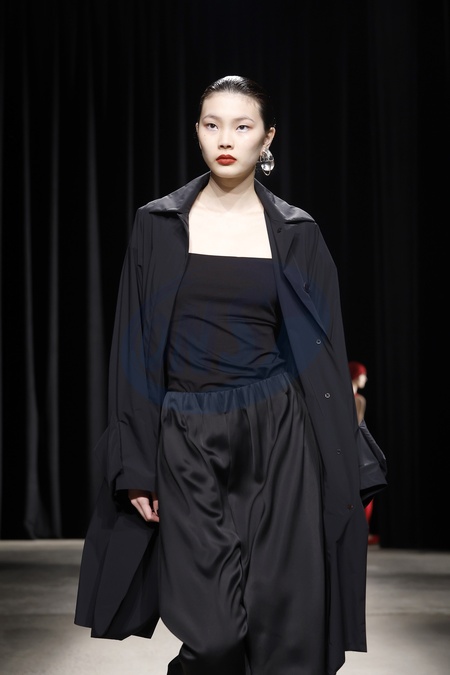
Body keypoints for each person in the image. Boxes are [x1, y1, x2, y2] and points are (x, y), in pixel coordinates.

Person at [75, 75, 387, 675]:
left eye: (242, 126)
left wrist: (338, 458)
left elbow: (323, 354)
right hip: (187, 434)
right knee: (214, 636)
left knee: (285, 633)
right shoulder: (158, 225)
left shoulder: (297, 233)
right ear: (196, 132)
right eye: (212, 124)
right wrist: (135, 464)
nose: (226, 139)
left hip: (279, 436)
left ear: (266, 139)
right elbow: (133, 351)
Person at [348, 360, 379, 543]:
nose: (365, 379)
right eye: (363, 374)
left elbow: (358, 428)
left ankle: (361, 530)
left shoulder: (359, 400)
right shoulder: (346, 398)